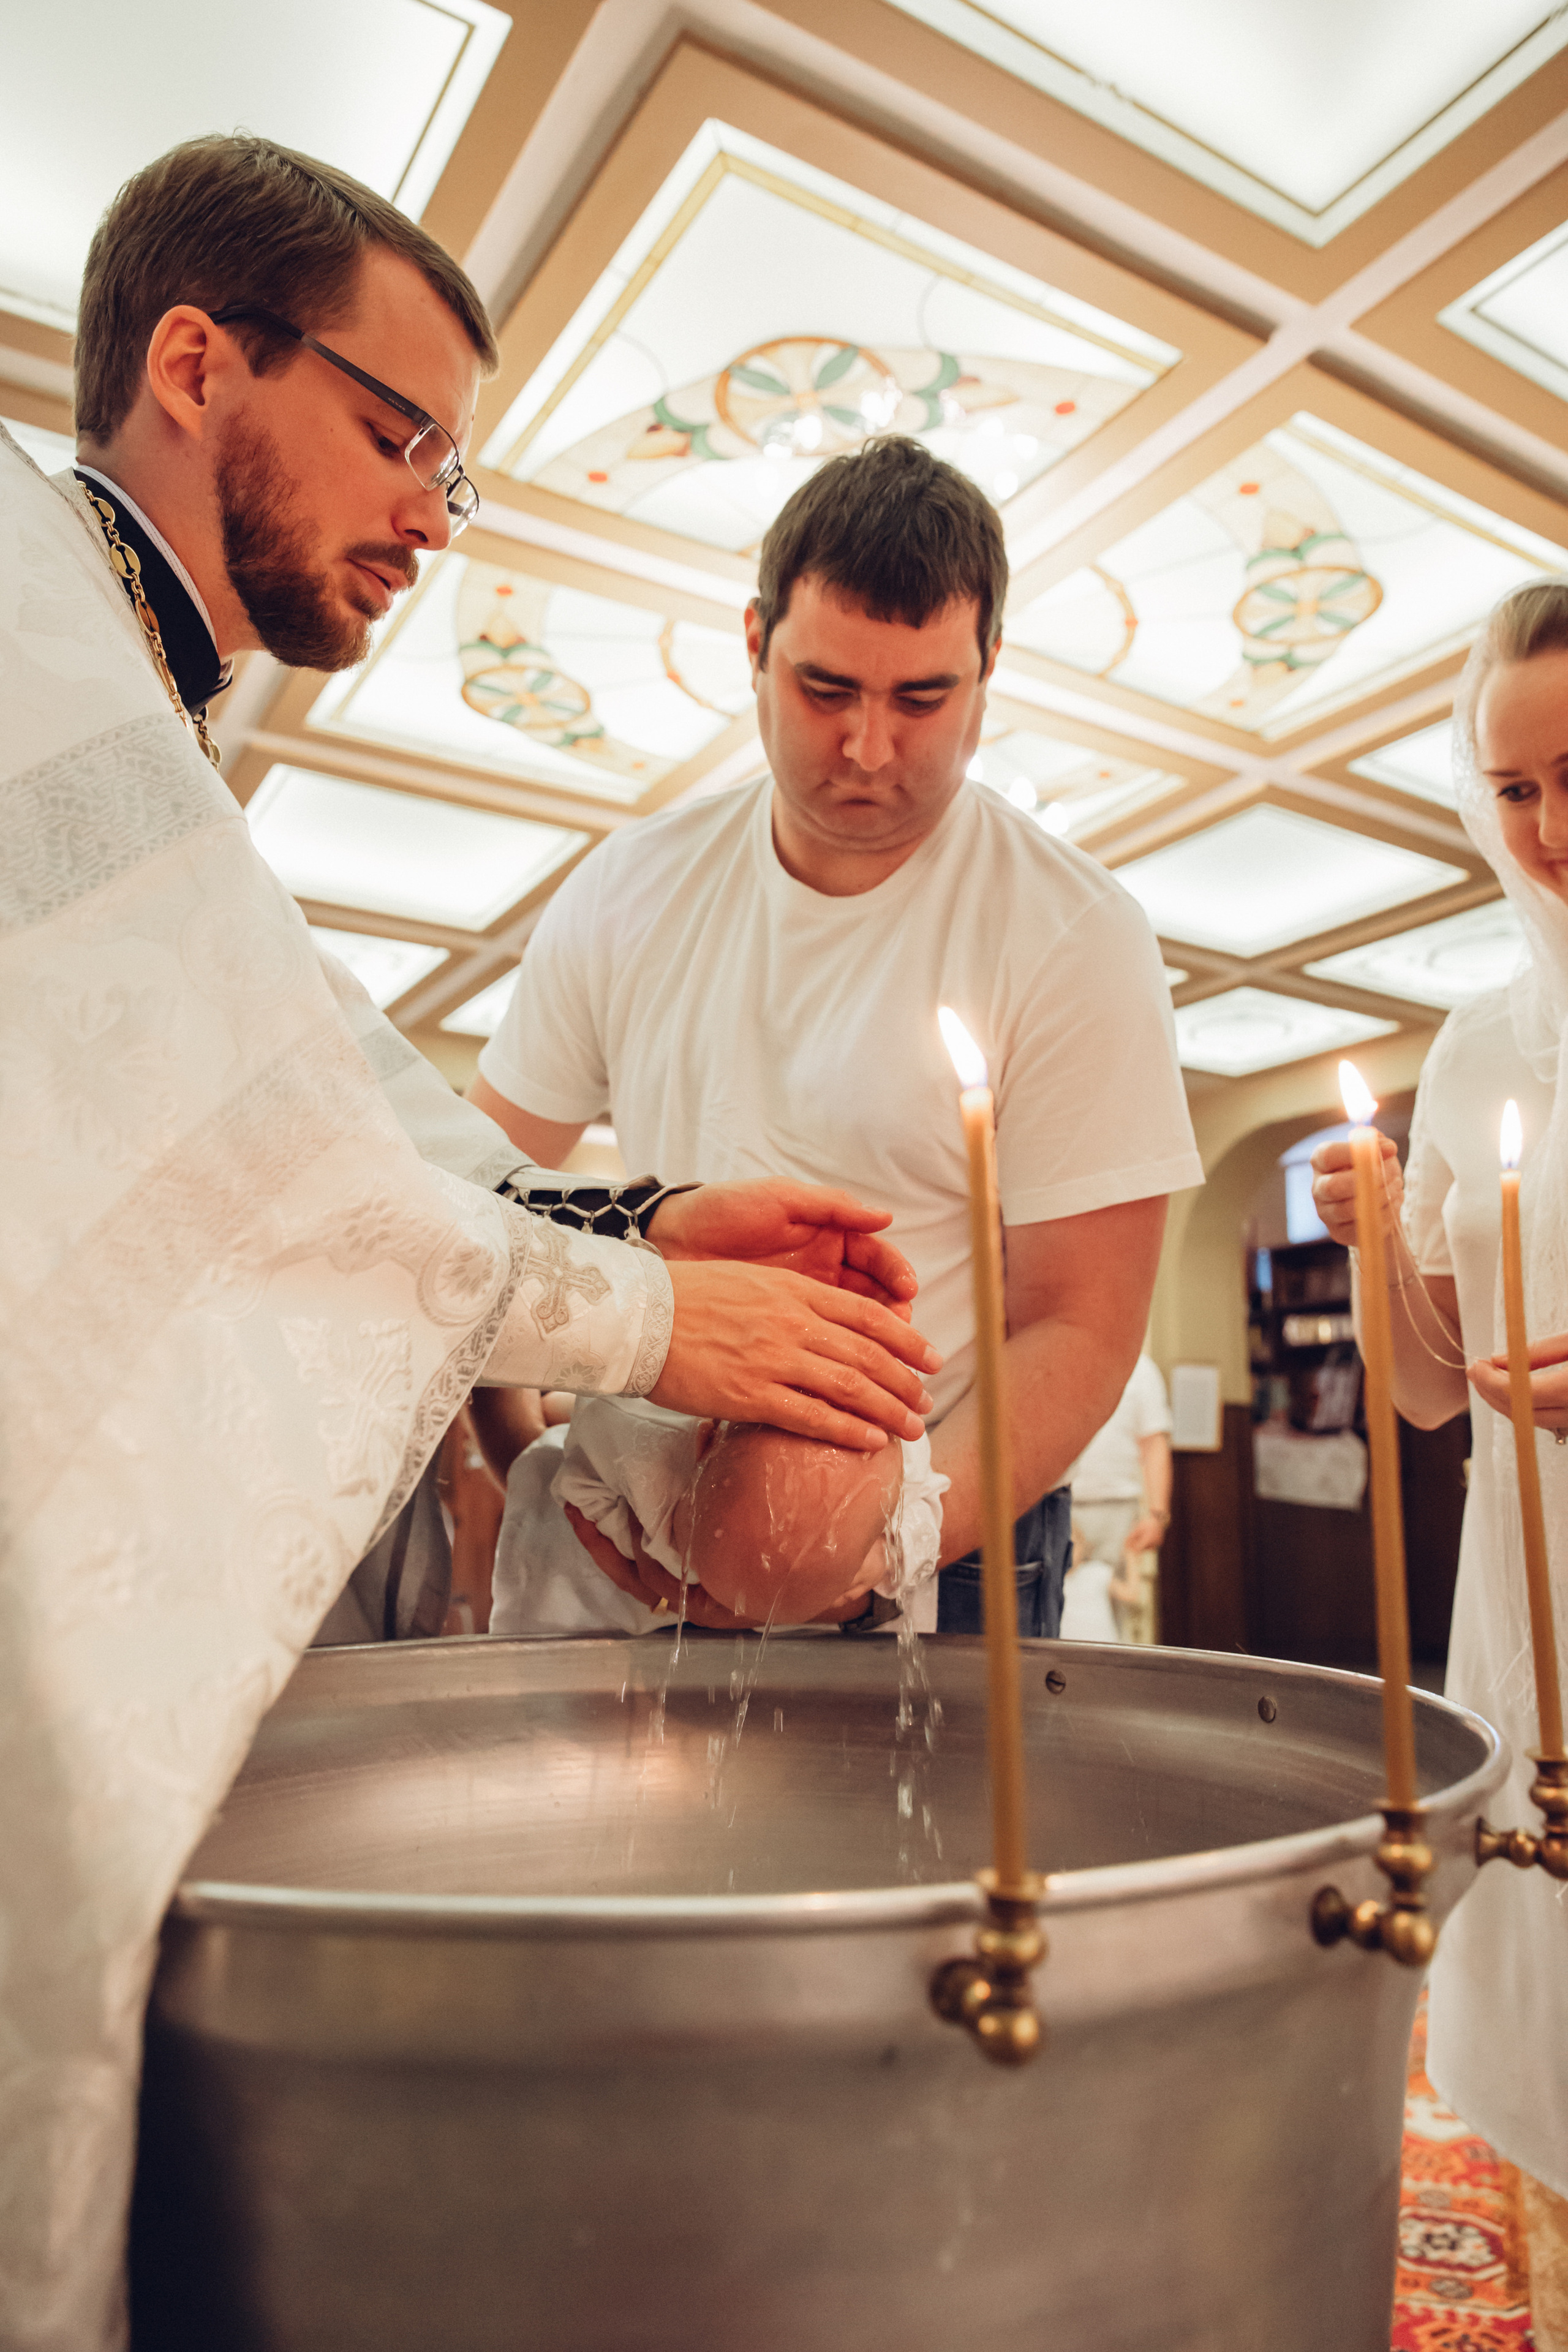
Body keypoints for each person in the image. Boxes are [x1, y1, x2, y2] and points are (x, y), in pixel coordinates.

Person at [0, 136, 941, 2348]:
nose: (434, 508)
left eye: (459, 467)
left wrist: (646, 1209)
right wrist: (646, 1310)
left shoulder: (130, 712)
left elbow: (319, 1103)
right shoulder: (26, 597)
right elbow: (214, 1165)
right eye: (400, 431)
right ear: (196, 359)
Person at [470, 435, 1202, 1640]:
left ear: (989, 671)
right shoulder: (624, 891)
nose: (869, 749)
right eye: (824, 691)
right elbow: (486, 1196)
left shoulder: (1074, 933)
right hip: (644, 1498)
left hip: (955, 1524)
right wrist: (525, 1462)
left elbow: (1080, 1321)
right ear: (753, 646)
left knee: (955, 1837)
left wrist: (877, 1550)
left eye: (923, 699)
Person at [1311, 578, 1568, 2342]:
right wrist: (1375, 1236)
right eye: (1517, 788)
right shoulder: (1485, 1036)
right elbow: (1426, 1393)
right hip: (1530, 1602)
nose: (1549, 829)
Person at [489, 1397, 948, 1635]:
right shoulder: (638, 1445)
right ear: (704, 1439)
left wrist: (886, 1560)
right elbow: (581, 1472)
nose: (674, 1548)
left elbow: (925, 1524)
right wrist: (630, 1539)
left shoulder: (905, 1462)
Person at [1060, 1353, 1172, 1642]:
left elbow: (1154, 1444)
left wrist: (1157, 1514)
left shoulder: (1142, 1369)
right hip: (1059, 1504)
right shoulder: (1056, 1355)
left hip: (1118, 1511)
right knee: (1054, 1610)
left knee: (1113, 1611)